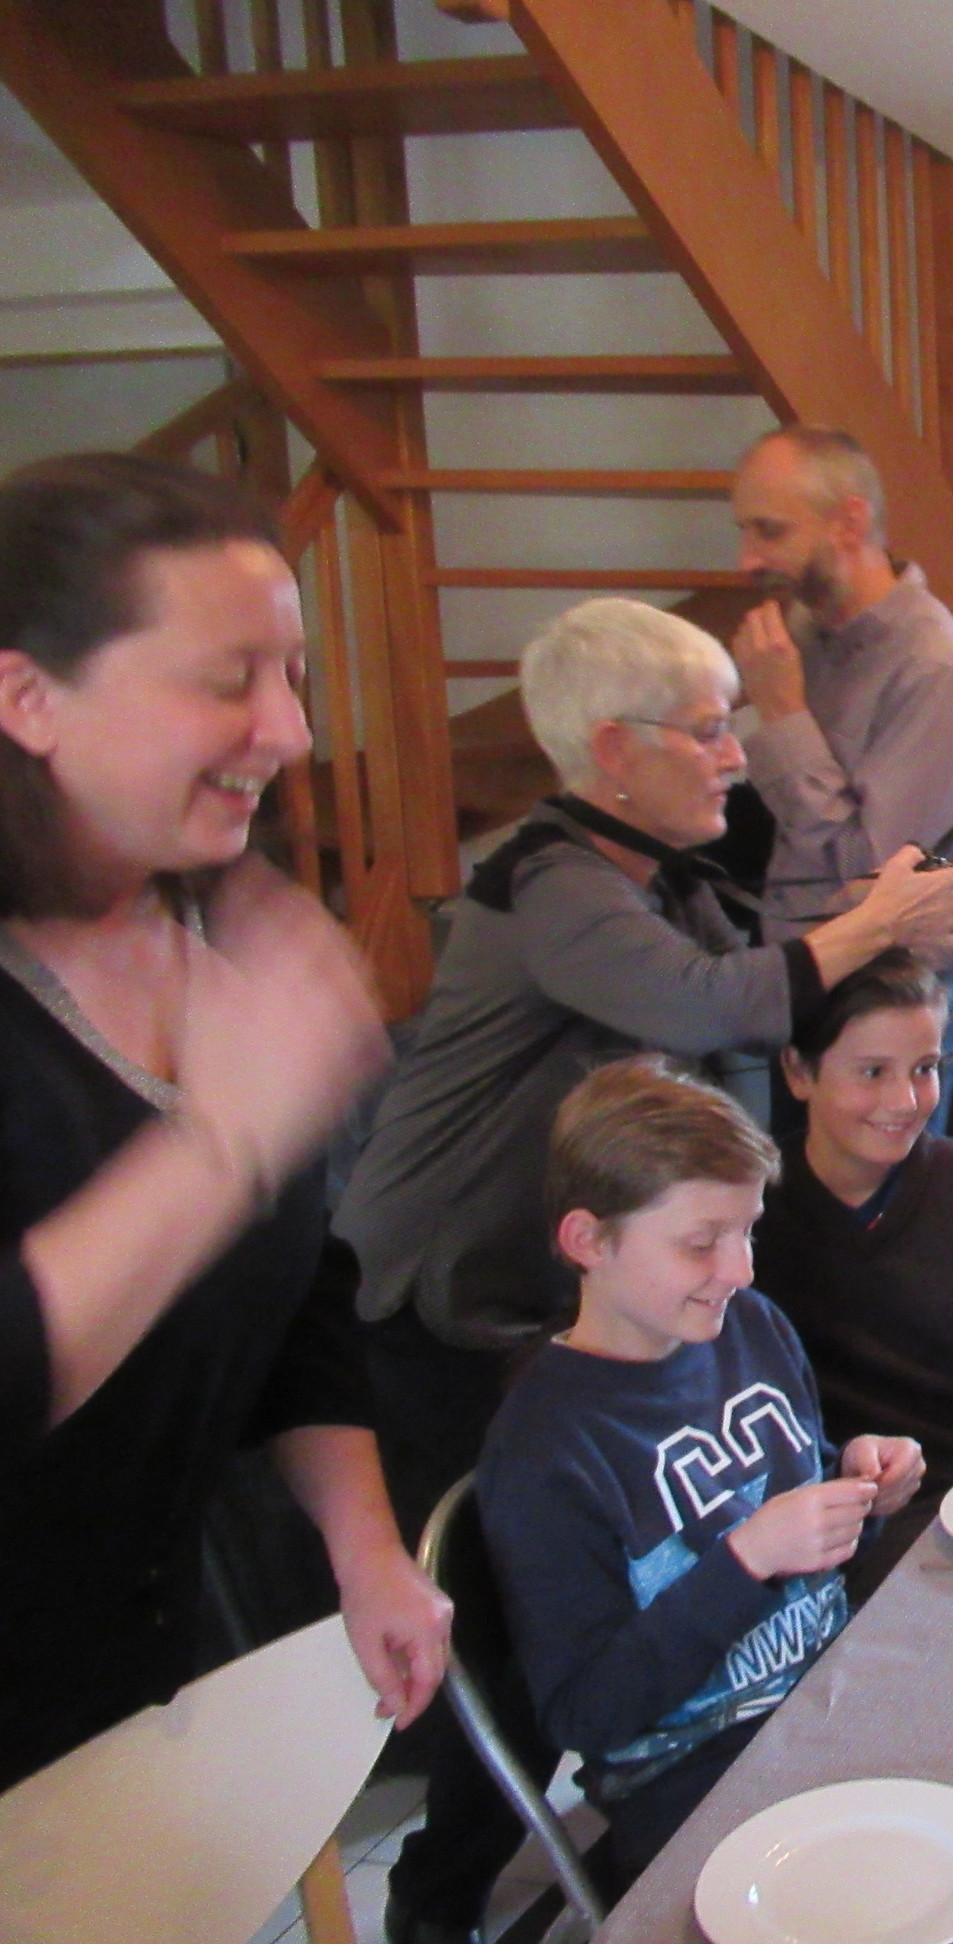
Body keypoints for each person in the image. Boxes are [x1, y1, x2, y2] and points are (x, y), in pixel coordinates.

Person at [334, 595, 953, 1942]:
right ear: (614, 751)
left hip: (551, 1280)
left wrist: (882, 917)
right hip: (442, 1296)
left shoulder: (666, 875)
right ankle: (440, 1909)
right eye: (707, 730)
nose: (735, 753)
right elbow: (706, 1004)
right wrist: (875, 920)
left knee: (651, 1564)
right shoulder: (550, 884)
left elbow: (773, 967)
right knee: (516, 1655)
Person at [0, 452, 445, 1791]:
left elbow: (296, 1284)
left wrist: (364, 1545)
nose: (290, 731)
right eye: (227, 679)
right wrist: (220, 1143)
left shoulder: (206, 920)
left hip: (130, 1691)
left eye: (294, 675)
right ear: (28, 699)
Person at [480, 1058, 924, 1895]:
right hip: (693, 1787)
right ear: (588, 1242)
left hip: (831, 1701)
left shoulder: (749, 1327)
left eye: (747, 1231)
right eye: (700, 1243)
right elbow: (588, 1713)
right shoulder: (544, 1453)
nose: (742, 1269)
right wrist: (747, 1560)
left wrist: (861, 1491)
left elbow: (804, 1543)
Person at [755, 949, 953, 1593]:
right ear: (798, 1072)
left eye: (925, 1069)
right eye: (872, 1072)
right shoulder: (747, 1214)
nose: (904, 1101)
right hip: (833, 1519)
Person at [730, 426, 953, 1130]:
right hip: (802, 992)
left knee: (886, 1210)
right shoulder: (800, 637)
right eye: (744, 531)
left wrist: (783, 714)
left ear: (848, 523)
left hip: (888, 1017)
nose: (747, 559)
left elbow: (876, 885)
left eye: (770, 531)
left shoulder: (935, 670)